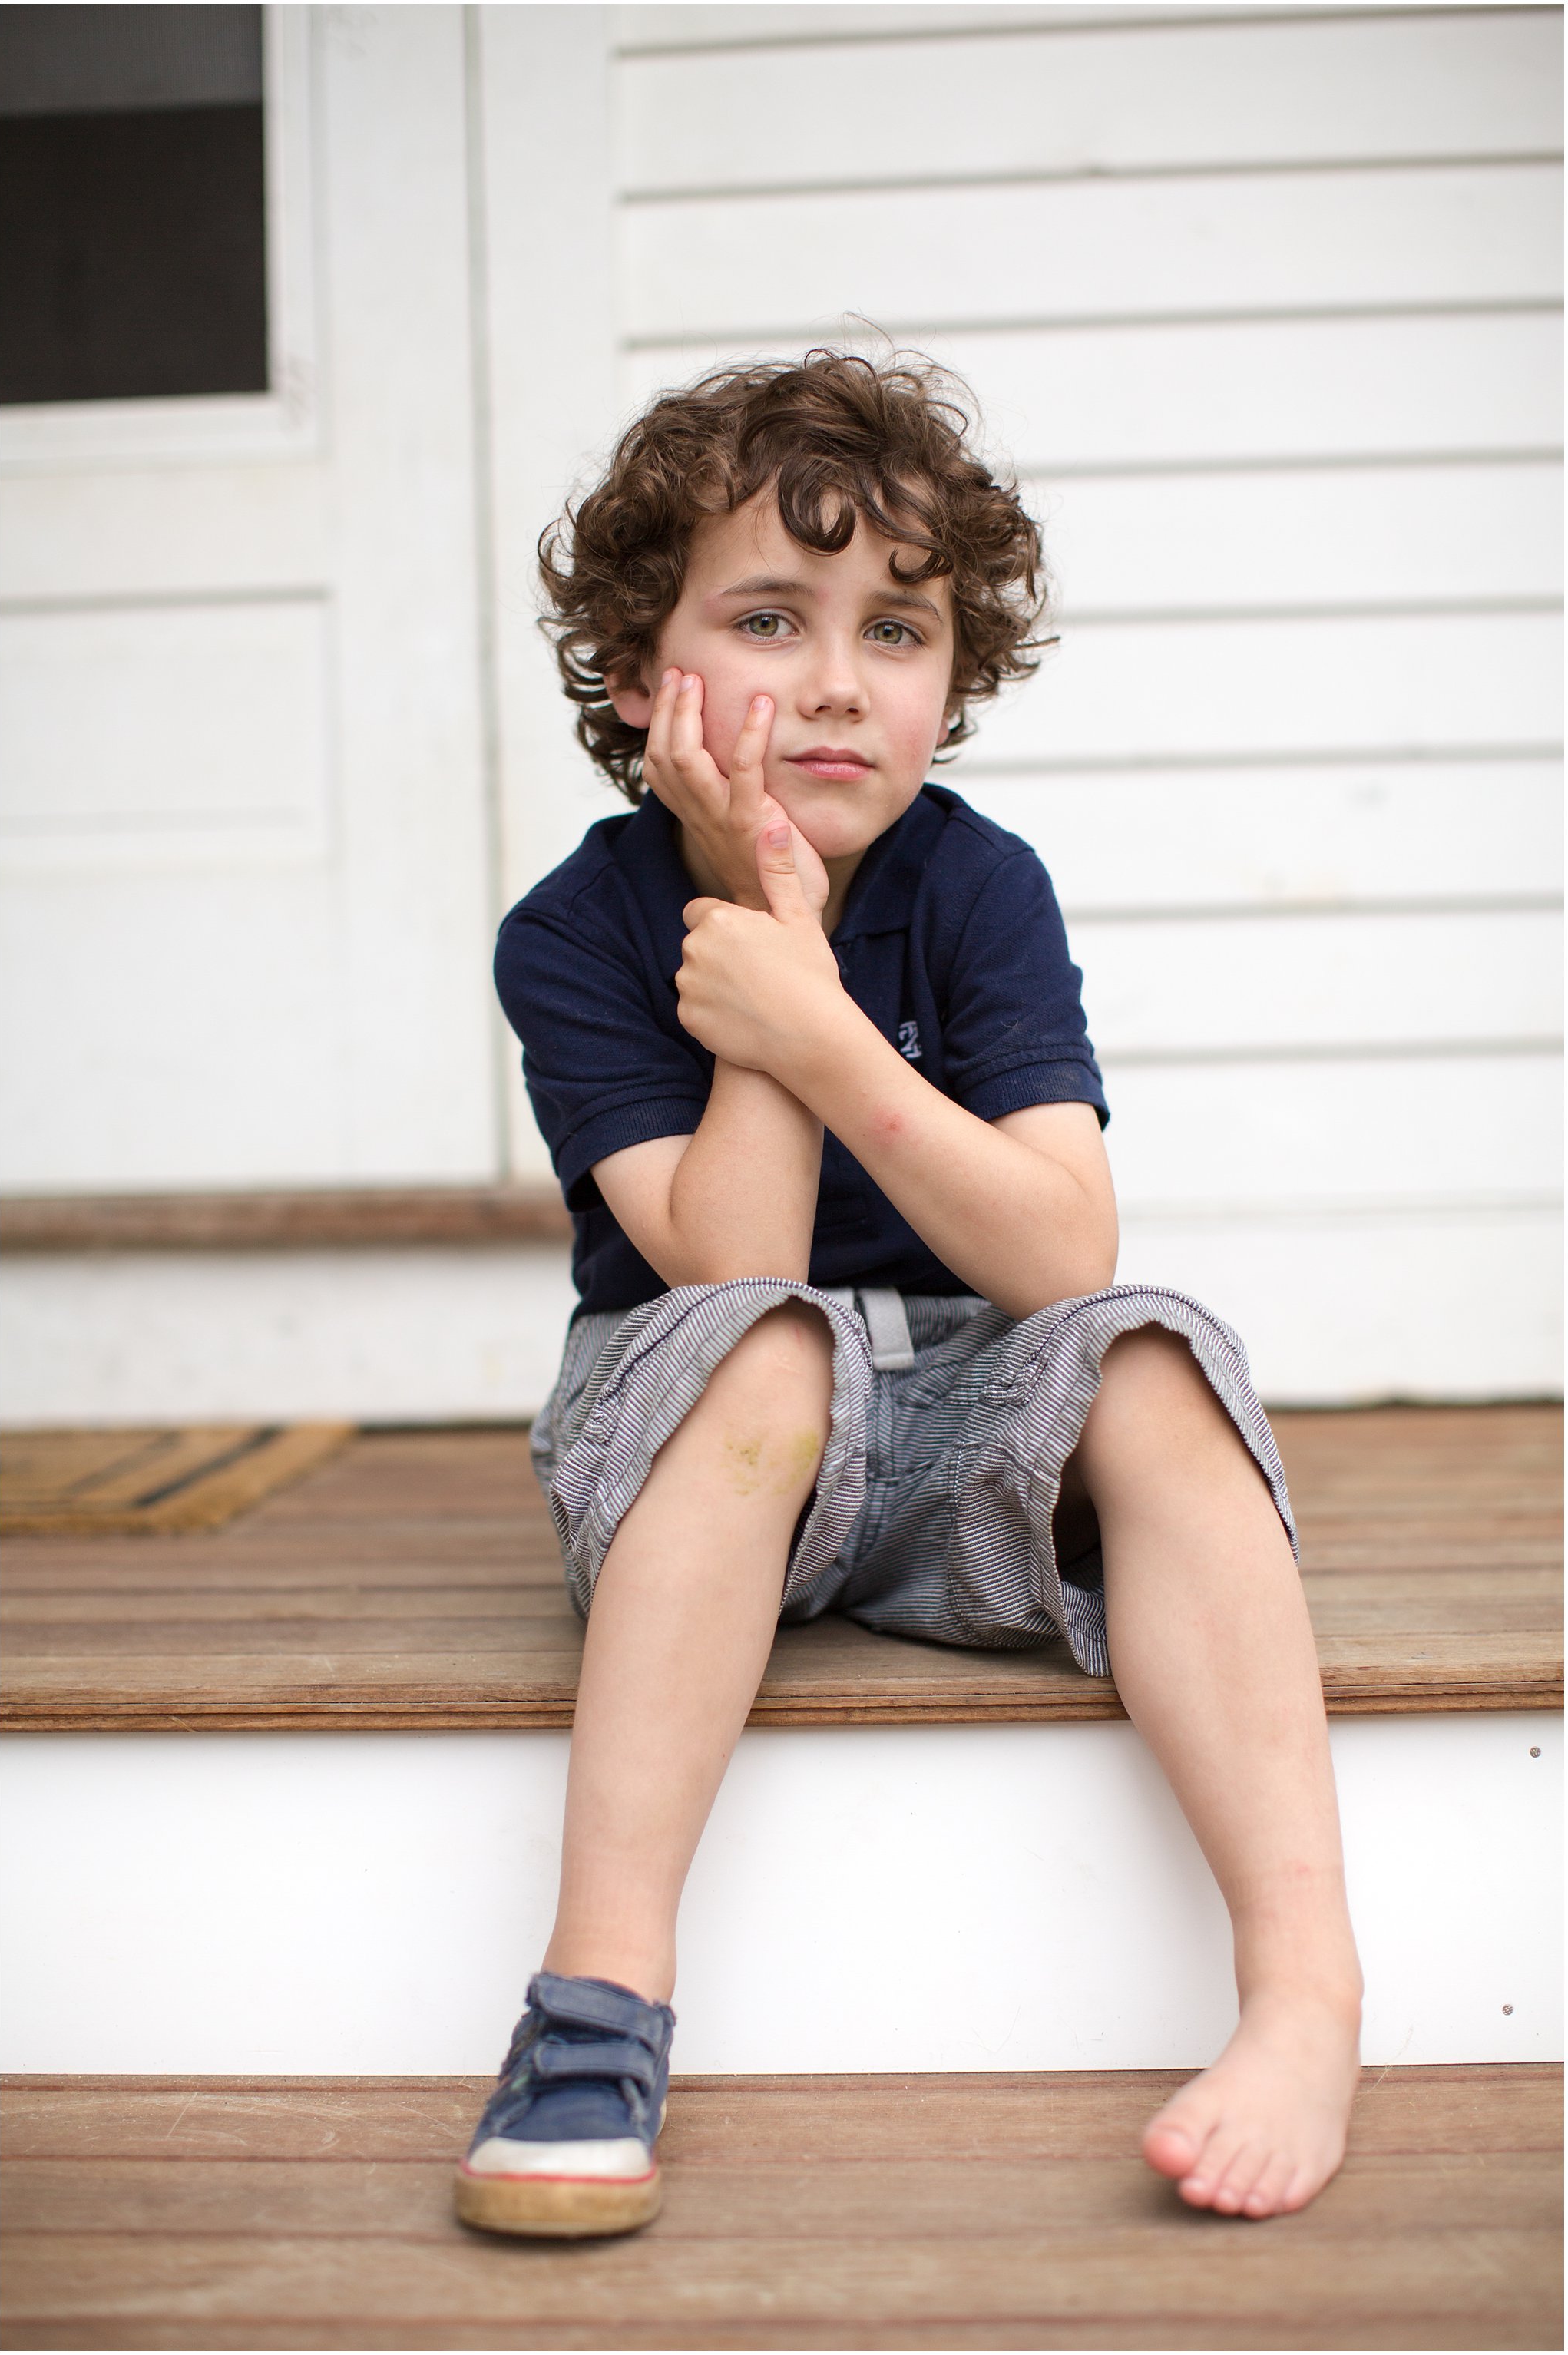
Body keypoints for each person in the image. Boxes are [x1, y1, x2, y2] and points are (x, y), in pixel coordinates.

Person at [456, 350, 1363, 2241]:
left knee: (1159, 1366)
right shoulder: (575, 932)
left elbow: (1059, 1254)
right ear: (639, 676)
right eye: (768, 619)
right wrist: (765, 928)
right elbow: (738, 1265)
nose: (840, 679)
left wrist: (824, 1025)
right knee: (771, 1340)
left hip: (961, 1407)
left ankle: (1303, 1995)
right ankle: (595, 2007)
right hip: (703, 1421)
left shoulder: (979, 888)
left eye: (899, 627)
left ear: (952, 682)